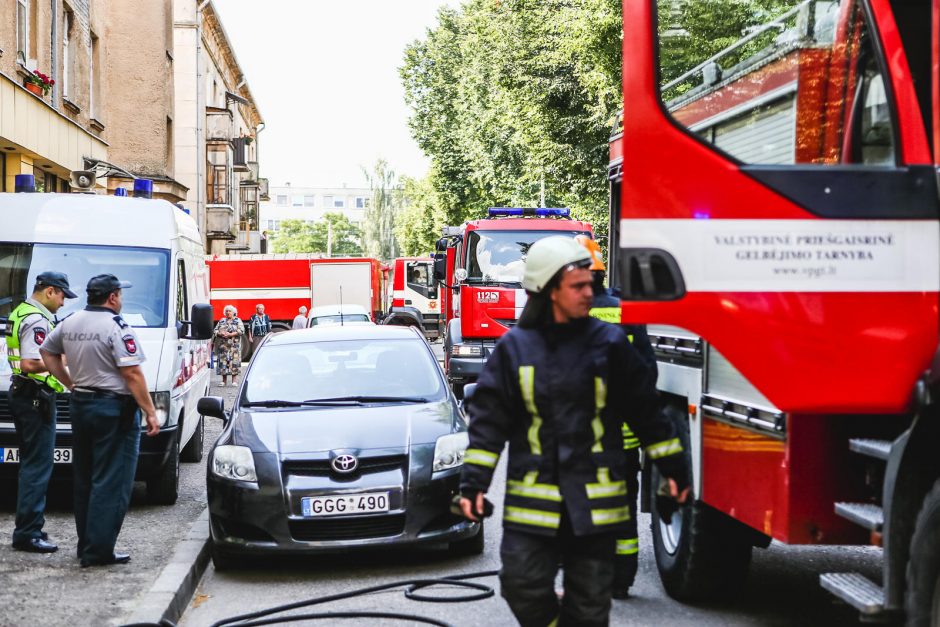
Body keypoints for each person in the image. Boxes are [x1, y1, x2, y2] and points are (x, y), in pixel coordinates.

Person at [458, 236, 689, 627]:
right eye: (578, 286)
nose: (589, 293)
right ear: (548, 290)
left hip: (595, 504)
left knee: (590, 606)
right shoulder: (515, 349)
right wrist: (473, 485)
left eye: (589, 284)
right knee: (521, 585)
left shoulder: (609, 344)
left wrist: (675, 469)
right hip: (534, 503)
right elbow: (489, 424)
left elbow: (647, 411)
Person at [40, 274, 160, 567]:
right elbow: (132, 373)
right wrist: (150, 411)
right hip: (113, 409)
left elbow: (47, 352)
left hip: (81, 405)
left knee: (86, 478)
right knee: (112, 481)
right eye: (120, 294)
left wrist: (69, 383)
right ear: (112, 297)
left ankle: (87, 545)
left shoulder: (71, 321)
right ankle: (99, 550)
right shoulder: (116, 327)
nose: (121, 299)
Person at [577, 234, 657, 600]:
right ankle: (621, 580)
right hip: (623, 438)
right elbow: (646, 370)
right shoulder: (626, 311)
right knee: (623, 510)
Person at [5, 271, 78, 553]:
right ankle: (28, 533)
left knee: (31, 466)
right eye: (61, 296)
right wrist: (63, 360)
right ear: (49, 291)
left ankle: (29, 527)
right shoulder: (37, 320)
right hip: (35, 399)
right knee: (37, 467)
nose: (62, 303)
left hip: (25, 396)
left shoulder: (21, 311)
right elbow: (30, 363)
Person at [214, 305, 244, 386]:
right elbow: (215, 330)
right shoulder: (222, 320)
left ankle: (234, 381)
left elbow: (241, 330)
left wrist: (230, 334)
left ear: (233, 312)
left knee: (234, 362)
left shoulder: (238, 320)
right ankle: (224, 381)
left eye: (229, 311)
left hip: (234, 346)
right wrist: (220, 333)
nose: (228, 312)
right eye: (226, 311)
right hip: (223, 346)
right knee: (223, 362)